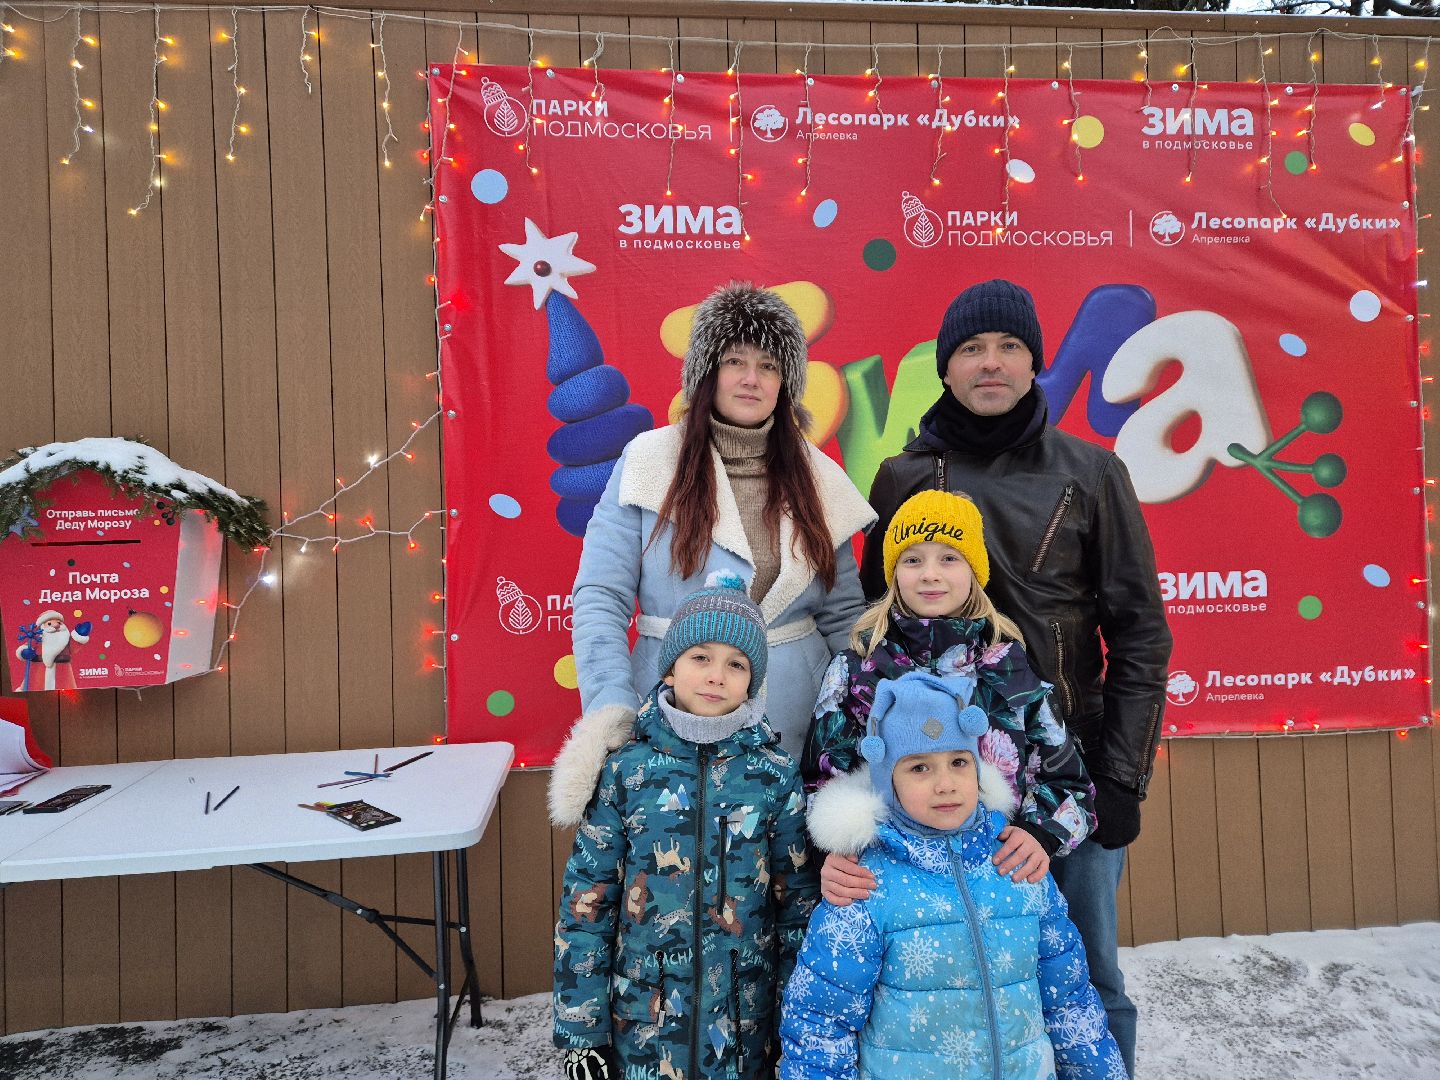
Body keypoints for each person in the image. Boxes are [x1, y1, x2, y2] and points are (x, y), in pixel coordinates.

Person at [846, 278, 1170, 1075]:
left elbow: (1140, 635)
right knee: (953, 980)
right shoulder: (901, 477)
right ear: (946, 368)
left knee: (1086, 976)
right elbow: (871, 636)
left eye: (1009, 347)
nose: (990, 364)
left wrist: (1120, 776)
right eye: (972, 349)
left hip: (1069, 775)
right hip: (941, 783)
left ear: (1034, 362)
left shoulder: (1093, 474)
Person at [550, 281, 876, 829]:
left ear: (786, 383)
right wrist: (612, 707)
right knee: (680, 888)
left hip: (797, 726)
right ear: (706, 374)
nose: (751, 378)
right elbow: (600, 597)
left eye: (769, 365)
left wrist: (856, 719)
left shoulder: (821, 480)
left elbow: (846, 616)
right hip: (671, 719)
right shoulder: (647, 463)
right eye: (734, 360)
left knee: (784, 885)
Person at [779, 670, 1124, 1080]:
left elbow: (1071, 1003)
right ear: (887, 782)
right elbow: (820, 1027)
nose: (945, 784)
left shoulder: (1018, 864)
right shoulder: (865, 884)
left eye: (959, 762)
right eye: (919, 768)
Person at [552, 574, 819, 1080]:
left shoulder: (774, 775)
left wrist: (799, 1025)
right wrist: (581, 1031)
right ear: (670, 668)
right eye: (700, 657)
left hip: (743, 1027)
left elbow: (797, 908)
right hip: (644, 1024)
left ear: (752, 682)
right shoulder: (625, 771)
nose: (717, 675)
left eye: (736, 664)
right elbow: (587, 902)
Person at [803, 489, 1095, 883]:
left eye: (949, 558)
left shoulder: (1010, 668)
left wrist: (1039, 834)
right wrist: (833, 854)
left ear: (974, 570)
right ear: (893, 575)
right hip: (892, 885)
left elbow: (1071, 785)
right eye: (912, 559)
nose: (930, 573)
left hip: (996, 882)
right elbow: (821, 783)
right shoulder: (856, 671)